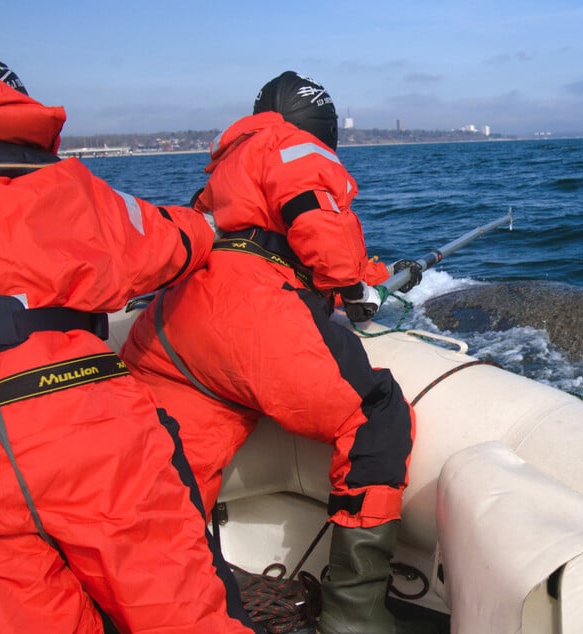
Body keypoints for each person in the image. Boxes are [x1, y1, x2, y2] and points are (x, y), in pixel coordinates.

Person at [0, 43, 260, 633]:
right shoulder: (63, 184)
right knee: (180, 611)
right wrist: (207, 229)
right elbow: (161, 245)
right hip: (86, 431)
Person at [120, 71, 423, 634]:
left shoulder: (224, 169)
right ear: (324, 127)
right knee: (375, 412)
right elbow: (321, 232)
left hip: (174, 330)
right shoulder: (293, 144)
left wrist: (353, 279)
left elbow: (249, 238)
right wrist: (357, 289)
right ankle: (355, 615)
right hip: (252, 321)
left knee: (172, 474)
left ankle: (164, 606)